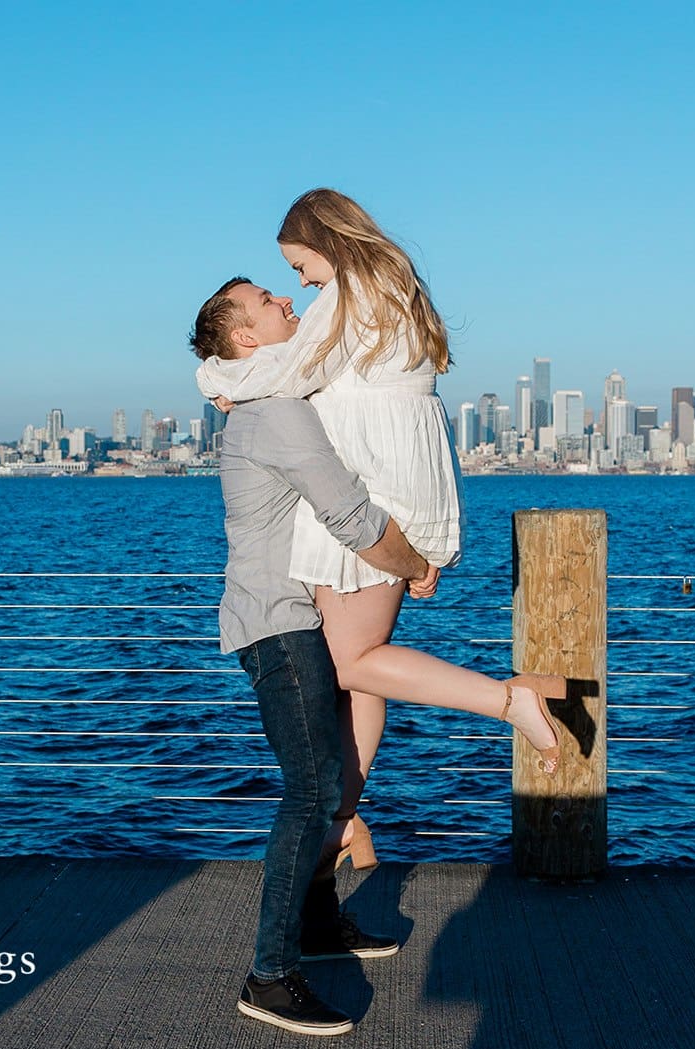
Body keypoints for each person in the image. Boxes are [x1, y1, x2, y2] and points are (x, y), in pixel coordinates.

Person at [195, 190, 567, 876]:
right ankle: (342, 818)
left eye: (301, 264)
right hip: (404, 471)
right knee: (363, 667)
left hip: (374, 477)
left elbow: (293, 369)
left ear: (326, 243)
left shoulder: (349, 290)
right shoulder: (389, 283)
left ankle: (509, 700)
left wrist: (219, 377)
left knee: (352, 662)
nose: (302, 284)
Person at [190, 275, 438, 1036]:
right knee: (312, 784)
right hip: (281, 625)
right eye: (270, 302)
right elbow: (350, 513)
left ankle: (320, 926)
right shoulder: (274, 416)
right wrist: (415, 565)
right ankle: (269, 974)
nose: (287, 304)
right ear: (244, 337)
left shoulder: (270, 395)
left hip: (309, 615)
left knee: (329, 771)